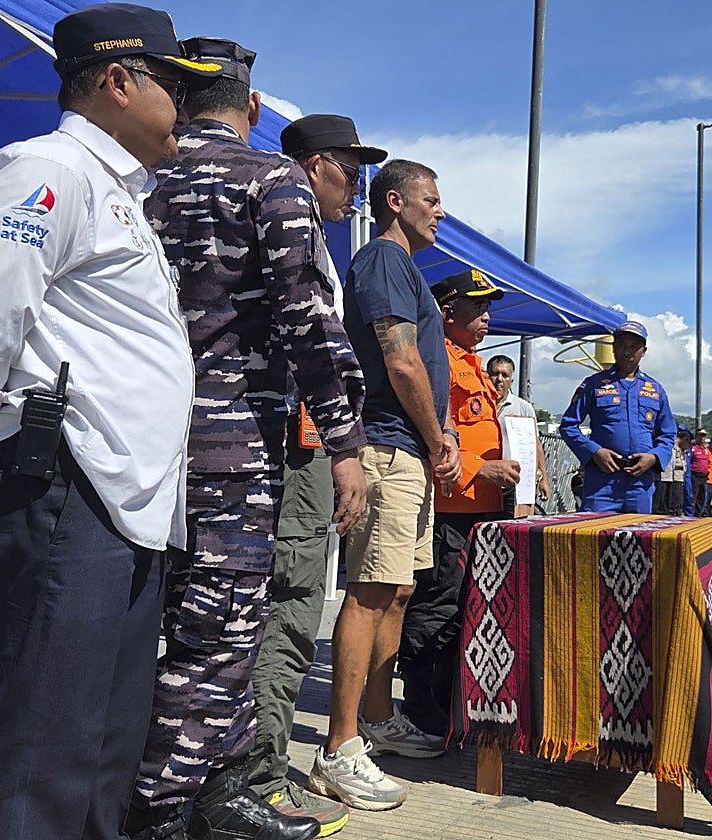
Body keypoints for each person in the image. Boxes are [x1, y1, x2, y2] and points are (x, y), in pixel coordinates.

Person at [0, 5, 214, 838]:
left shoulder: (121, 194)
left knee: (105, 742)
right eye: (173, 86)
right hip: (70, 481)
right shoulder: (48, 170)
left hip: (124, 496)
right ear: (119, 82)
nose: (186, 109)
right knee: (46, 743)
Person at [128, 43, 367, 840]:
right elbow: (306, 321)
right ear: (254, 106)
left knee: (159, 627)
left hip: (133, 443)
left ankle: (220, 794)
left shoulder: (134, 177)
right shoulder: (269, 179)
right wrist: (345, 443)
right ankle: (160, 809)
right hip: (233, 451)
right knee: (222, 634)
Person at [244, 114, 387, 837]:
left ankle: (242, 773)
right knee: (294, 604)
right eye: (350, 169)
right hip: (294, 446)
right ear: (318, 163)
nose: (355, 185)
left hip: (251, 444)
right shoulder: (286, 210)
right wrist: (344, 443)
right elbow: (310, 338)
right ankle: (263, 780)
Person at [308, 159, 461, 812]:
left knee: (397, 589)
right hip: (389, 447)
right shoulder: (382, 261)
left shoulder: (407, 269)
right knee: (371, 593)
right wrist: (438, 438)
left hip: (410, 453)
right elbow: (399, 360)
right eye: (432, 199)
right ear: (395, 201)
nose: (441, 210)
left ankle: (373, 719)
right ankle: (338, 748)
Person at [397, 270, 516, 737]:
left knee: (467, 609)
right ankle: (424, 710)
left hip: (480, 511)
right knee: (437, 607)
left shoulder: (470, 362)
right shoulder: (437, 360)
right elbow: (424, 428)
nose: (486, 317)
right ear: (447, 313)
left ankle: (450, 704)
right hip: (451, 507)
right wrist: (475, 469)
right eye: (477, 308)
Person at [558, 320, 675, 513]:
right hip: (602, 482)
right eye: (621, 345)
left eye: (633, 346)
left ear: (643, 351)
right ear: (613, 348)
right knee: (595, 538)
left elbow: (668, 434)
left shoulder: (655, 390)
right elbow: (568, 426)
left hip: (640, 483)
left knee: (637, 539)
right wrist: (595, 452)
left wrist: (654, 457)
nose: (627, 351)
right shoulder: (593, 385)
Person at [485, 354, 550, 517]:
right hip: (485, 481)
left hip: (513, 483)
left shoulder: (523, 408)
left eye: (505, 375)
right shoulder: (478, 405)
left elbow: (535, 445)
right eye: (495, 374)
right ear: (486, 375)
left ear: (511, 381)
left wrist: (543, 478)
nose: (499, 379)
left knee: (511, 528)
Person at [654, 426, 690, 515]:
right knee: (661, 498)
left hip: (673, 475)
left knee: (670, 498)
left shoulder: (680, 448)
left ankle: (670, 512)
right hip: (664, 473)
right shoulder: (670, 445)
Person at [689, 429, 712, 516]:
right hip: (695, 476)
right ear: (696, 436)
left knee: (701, 497)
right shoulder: (693, 449)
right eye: (701, 435)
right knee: (693, 497)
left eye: (704, 436)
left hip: (704, 477)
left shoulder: (705, 450)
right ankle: (691, 515)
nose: (702, 438)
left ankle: (698, 514)